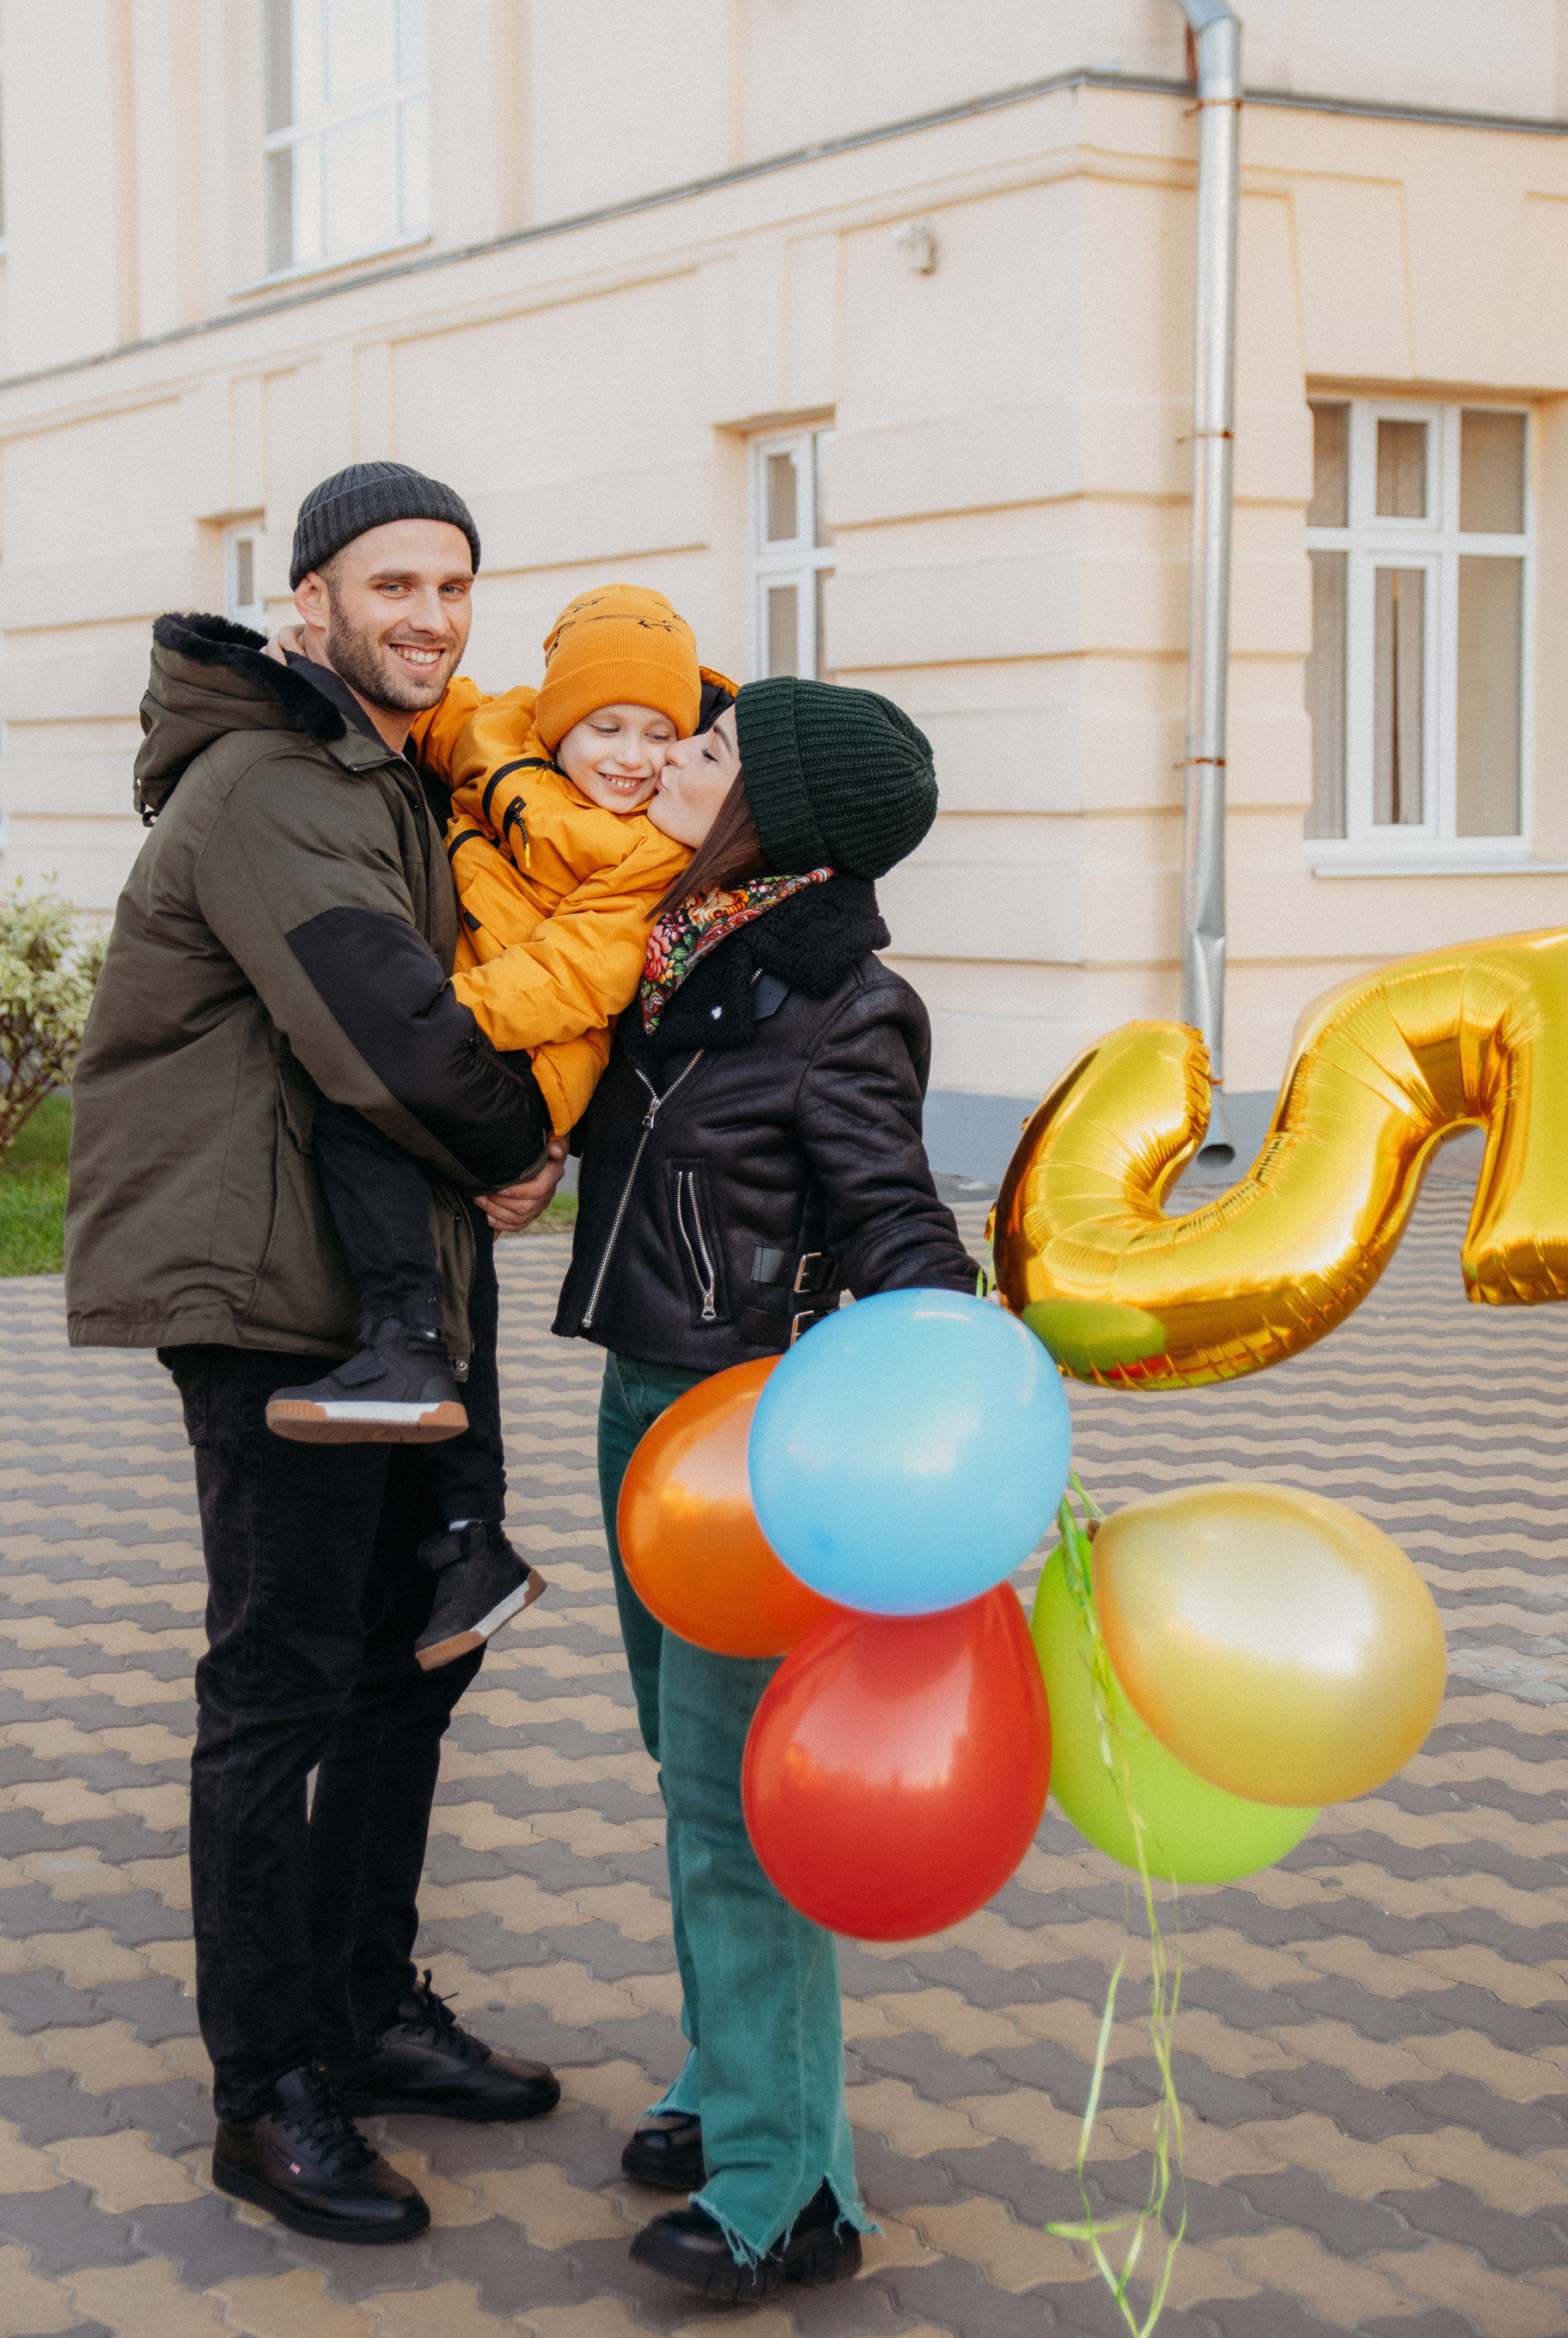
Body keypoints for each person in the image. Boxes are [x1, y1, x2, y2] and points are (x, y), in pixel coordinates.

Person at [64, 461, 568, 2248]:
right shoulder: (273, 780)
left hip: (375, 1289)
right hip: (267, 1294)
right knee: (280, 1681)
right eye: (389, 586)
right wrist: (518, 1148)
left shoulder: (384, 773)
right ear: (309, 607)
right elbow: (383, 1022)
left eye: (452, 586)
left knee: (408, 1662)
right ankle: (264, 2088)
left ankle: (362, 2005)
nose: (427, 616)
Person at [552, 674, 979, 2301]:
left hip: (752, 1435)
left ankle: (788, 2188)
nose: (669, 754)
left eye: (710, 748)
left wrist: (950, 1375)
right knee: (685, 1768)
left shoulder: (835, 999)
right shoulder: (679, 948)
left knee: (743, 1812)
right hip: (646, 1404)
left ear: (774, 813)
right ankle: (727, 2077)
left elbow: (890, 1216)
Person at [262, 584, 735, 1673]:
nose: (630, 757)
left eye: (660, 736)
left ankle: (404, 1348)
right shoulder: (497, 736)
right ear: (556, 716)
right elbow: (425, 715)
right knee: (447, 1243)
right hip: (459, 1020)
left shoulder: (650, 849)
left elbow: (584, 972)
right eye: (606, 727)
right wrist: (308, 667)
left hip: (521, 1054)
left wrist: (432, 1027)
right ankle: (471, 1533)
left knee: (356, 1113)